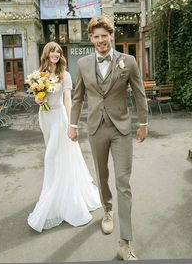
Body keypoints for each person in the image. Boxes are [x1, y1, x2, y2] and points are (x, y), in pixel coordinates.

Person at [68, 16, 148, 260]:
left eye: (105, 35)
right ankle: (107, 210)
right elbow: (78, 96)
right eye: (96, 36)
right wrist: (72, 124)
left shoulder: (128, 61)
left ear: (111, 36)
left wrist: (143, 122)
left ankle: (124, 242)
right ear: (91, 38)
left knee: (123, 182)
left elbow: (139, 92)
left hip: (121, 128)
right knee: (102, 176)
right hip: (96, 128)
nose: (101, 40)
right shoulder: (82, 63)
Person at [27, 42, 101, 232]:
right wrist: (38, 99)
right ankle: (54, 192)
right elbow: (37, 98)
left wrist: (71, 123)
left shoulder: (65, 75)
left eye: (58, 52)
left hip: (60, 118)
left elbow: (68, 100)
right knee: (55, 155)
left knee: (51, 156)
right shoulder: (39, 75)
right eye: (52, 51)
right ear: (46, 53)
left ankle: (52, 197)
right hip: (45, 118)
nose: (56, 54)